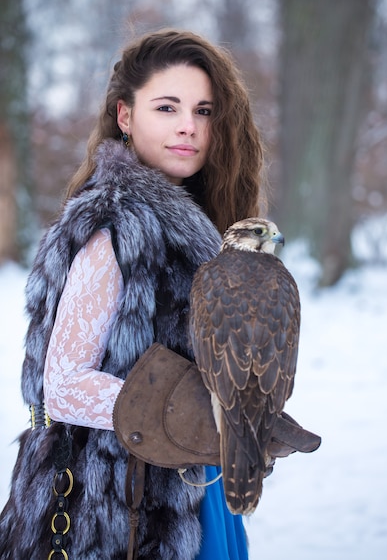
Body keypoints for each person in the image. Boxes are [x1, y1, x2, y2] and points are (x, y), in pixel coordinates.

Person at [0, 28, 320, 560]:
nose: (189, 127)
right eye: (167, 108)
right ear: (125, 117)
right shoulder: (118, 224)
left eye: (204, 111)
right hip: (122, 511)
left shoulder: (195, 228)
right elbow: (62, 386)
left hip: (191, 487)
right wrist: (213, 416)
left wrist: (245, 405)